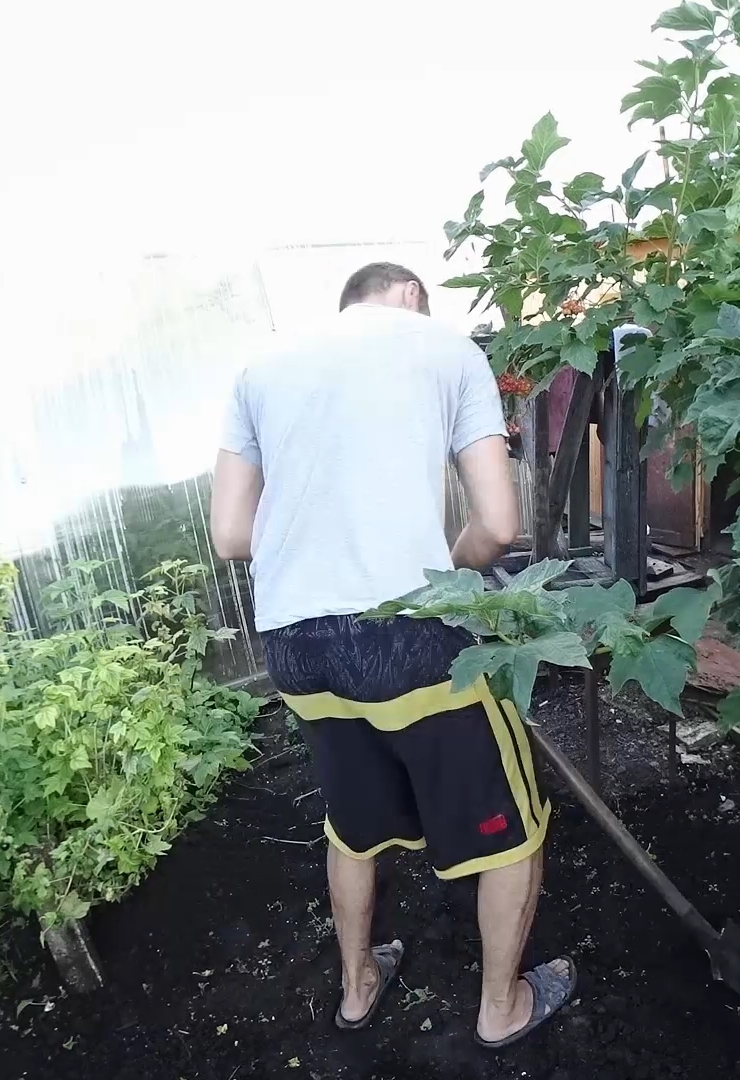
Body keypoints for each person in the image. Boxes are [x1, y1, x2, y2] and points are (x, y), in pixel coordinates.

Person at [208, 262, 575, 1048]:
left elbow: (232, 537)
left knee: (351, 821)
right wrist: (448, 569)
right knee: (512, 830)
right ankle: (500, 1009)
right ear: (411, 295)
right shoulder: (443, 348)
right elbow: (500, 525)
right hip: (408, 633)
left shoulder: (259, 366)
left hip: (294, 646)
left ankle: (357, 987)